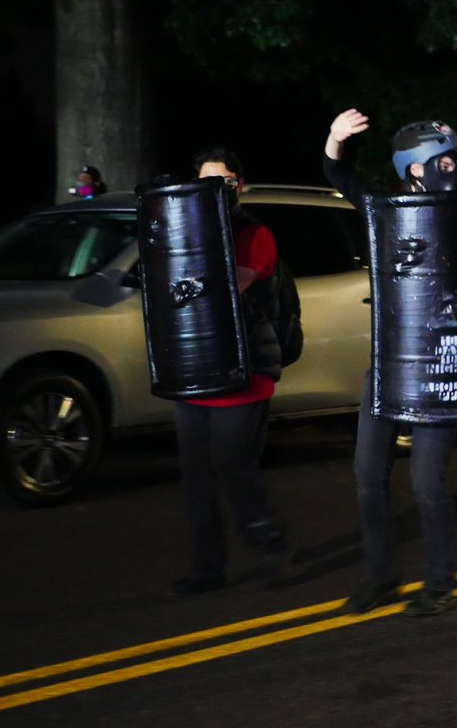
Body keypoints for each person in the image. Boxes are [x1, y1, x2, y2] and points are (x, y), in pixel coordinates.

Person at [323, 108, 457, 617]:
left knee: (427, 480)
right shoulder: (386, 208)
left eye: (456, 160)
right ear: (416, 168)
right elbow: (339, 175)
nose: (454, 169)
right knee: (367, 474)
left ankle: (441, 582)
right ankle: (381, 577)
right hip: (387, 365)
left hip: (440, 368)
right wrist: (336, 139)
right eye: (444, 162)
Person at [170, 148, 292, 595]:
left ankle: (272, 545)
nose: (215, 192)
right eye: (205, 183)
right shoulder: (187, 232)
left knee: (233, 468)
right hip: (196, 373)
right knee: (196, 478)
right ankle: (208, 569)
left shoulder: (255, 235)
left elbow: (225, 285)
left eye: (224, 182)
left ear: (240, 186)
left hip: (244, 375)